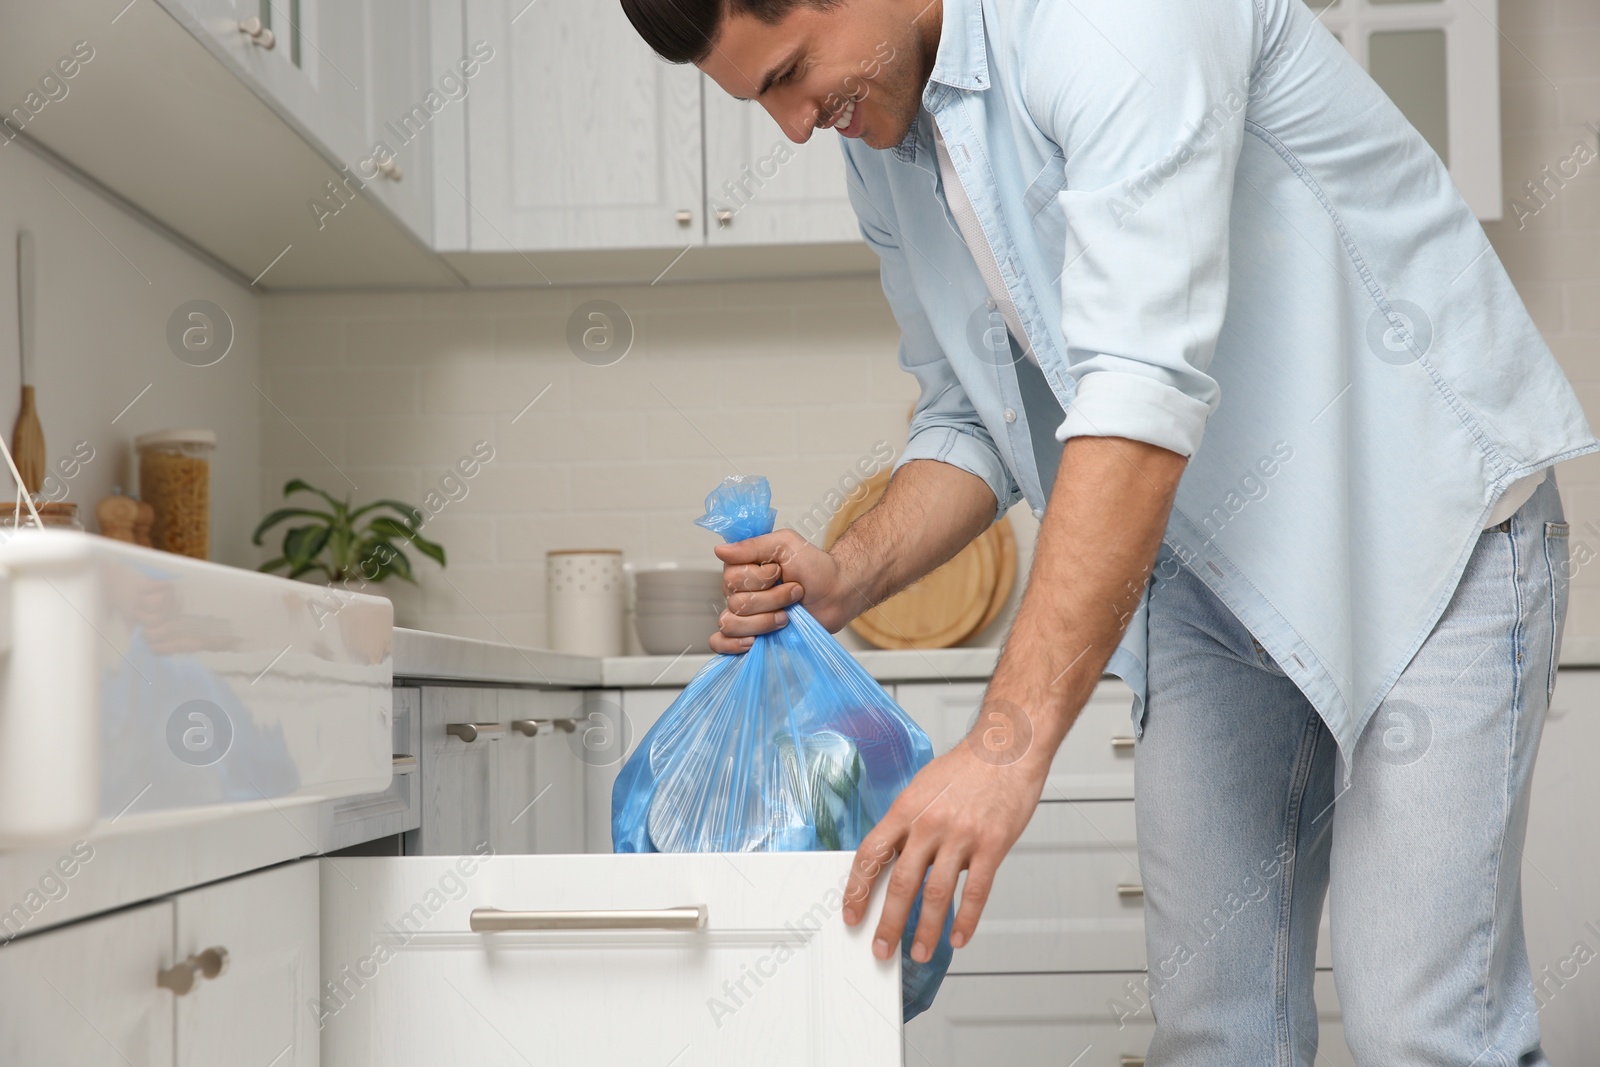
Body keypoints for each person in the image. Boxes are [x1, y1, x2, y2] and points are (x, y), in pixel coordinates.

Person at [620, 0, 1599, 1061]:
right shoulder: (890, 137)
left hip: (1424, 533)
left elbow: (1137, 392)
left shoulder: (1111, 18)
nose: (796, 127)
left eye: (790, 76)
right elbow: (971, 411)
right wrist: (846, 571)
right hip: (1209, 576)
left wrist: (1002, 750)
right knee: (1217, 1030)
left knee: (1419, 1030)